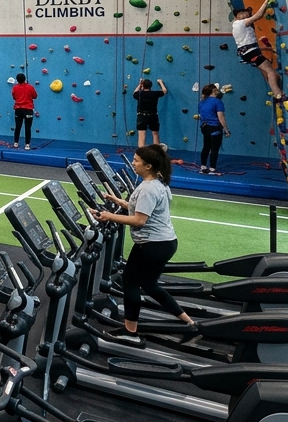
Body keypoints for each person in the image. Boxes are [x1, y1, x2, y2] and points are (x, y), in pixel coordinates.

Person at [88, 145, 194, 338]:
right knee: (150, 285)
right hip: (165, 243)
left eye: (137, 161)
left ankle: (130, 330)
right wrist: (120, 203)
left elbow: (139, 220)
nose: (134, 163)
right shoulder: (159, 183)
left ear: (148, 166)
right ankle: (188, 321)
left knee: (130, 283)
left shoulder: (148, 189)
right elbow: (142, 209)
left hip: (151, 245)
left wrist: (108, 216)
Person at [232, 0, 285, 100]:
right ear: (237, 16)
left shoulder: (236, 26)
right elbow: (259, 15)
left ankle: (276, 90)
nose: (246, 15)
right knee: (270, 71)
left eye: (247, 13)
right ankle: (278, 93)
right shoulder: (240, 23)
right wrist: (266, 2)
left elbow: (246, 41)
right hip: (250, 52)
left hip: (247, 53)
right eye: (243, 13)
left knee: (270, 74)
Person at [197, 83, 229, 175]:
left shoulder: (202, 102)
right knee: (214, 149)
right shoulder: (217, 102)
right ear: (214, 91)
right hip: (215, 127)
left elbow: (201, 115)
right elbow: (221, 117)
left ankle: (203, 166)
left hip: (205, 127)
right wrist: (226, 130)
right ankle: (212, 168)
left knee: (206, 146)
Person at [133, 78, 167, 149]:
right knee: (155, 134)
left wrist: (139, 84)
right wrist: (160, 82)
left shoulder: (139, 94)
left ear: (143, 86)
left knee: (142, 135)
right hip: (153, 115)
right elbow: (164, 91)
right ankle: (157, 151)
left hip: (142, 116)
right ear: (150, 86)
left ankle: (141, 152)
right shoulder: (155, 94)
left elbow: (134, 92)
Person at [11, 74, 37, 150]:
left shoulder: (15, 88)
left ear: (17, 80)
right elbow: (35, 96)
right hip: (28, 109)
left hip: (18, 109)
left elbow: (14, 97)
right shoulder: (30, 87)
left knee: (18, 127)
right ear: (24, 79)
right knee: (28, 127)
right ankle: (27, 144)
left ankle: (16, 143)